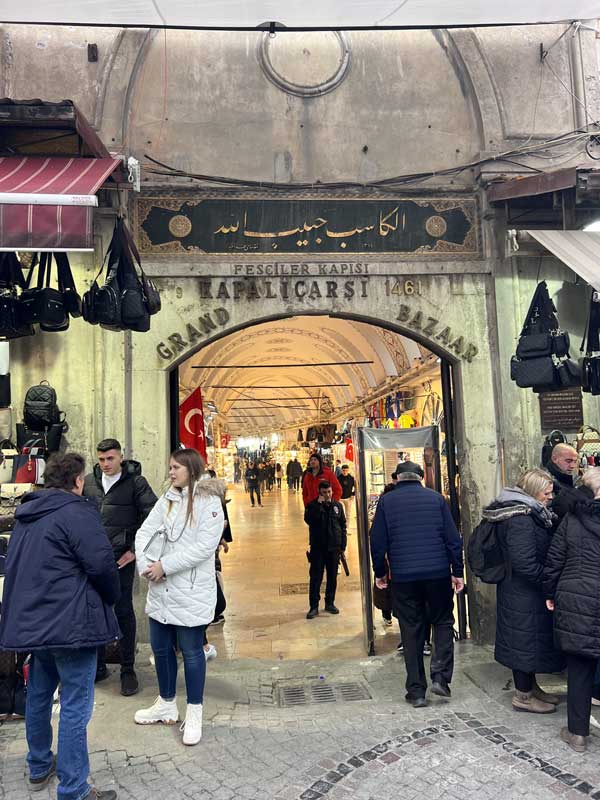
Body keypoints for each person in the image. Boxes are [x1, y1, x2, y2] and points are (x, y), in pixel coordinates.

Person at [0, 453, 120, 800]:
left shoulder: (27, 514)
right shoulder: (77, 512)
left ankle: (39, 765)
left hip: (37, 624)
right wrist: (110, 600)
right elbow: (102, 565)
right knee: (74, 705)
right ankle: (74, 788)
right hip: (71, 625)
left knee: (39, 694)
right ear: (78, 481)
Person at [134, 448, 225, 746]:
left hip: (190, 591)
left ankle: (195, 712)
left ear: (191, 469)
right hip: (161, 589)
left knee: (191, 650)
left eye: (176, 467)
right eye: (170, 467)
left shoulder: (209, 501)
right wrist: (145, 565)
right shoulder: (169, 498)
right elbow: (144, 532)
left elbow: (204, 547)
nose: (171, 472)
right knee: (160, 647)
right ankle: (166, 702)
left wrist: (166, 566)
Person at [369, 462, 464, 708]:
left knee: (411, 630)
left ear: (397, 478)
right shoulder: (436, 500)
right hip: (437, 574)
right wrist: (457, 572)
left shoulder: (387, 503)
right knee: (442, 621)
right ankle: (441, 677)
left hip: (404, 577)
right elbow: (453, 540)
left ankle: (417, 691)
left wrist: (380, 573)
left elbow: (378, 542)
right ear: (421, 478)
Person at [483, 468, 564, 714]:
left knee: (529, 641)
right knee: (523, 642)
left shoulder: (528, 512)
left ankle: (531, 687)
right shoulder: (521, 519)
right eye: (546, 492)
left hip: (522, 590)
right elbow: (524, 562)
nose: (550, 497)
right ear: (533, 492)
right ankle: (523, 696)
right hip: (522, 592)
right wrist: (547, 581)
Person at [83, 438, 157, 696]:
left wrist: (135, 552)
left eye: (110, 459)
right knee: (94, 611)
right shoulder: (89, 482)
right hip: (92, 560)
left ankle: (128, 669)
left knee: (123, 610)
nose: (105, 464)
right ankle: (99, 664)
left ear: (121, 457)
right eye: (101, 459)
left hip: (121, 559)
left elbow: (155, 519)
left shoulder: (136, 483)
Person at [543, 467, 600, 753]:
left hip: (578, 598)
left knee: (579, 666)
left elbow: (555, 559)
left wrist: (550, 593)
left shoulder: (572, 520)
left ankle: (578, 734)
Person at [304, 481, 347, 618]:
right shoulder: (312, 506)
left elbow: (342, 526)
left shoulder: (337, 506)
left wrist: (342, 546)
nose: (327, 495)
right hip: (318, 548)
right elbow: (310, 520)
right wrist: (320, 506)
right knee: (316, 577)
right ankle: (314, 606)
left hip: (334, 548)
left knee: (332, 577)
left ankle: (330, 602)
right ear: (319, 493)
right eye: (324, 492)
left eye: (329, 492)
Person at [547, 443, 580, 525]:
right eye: (568, 461)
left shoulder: (567, 478)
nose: (572, 466)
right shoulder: (547, 482)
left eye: (575, 461)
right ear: (554, 459)